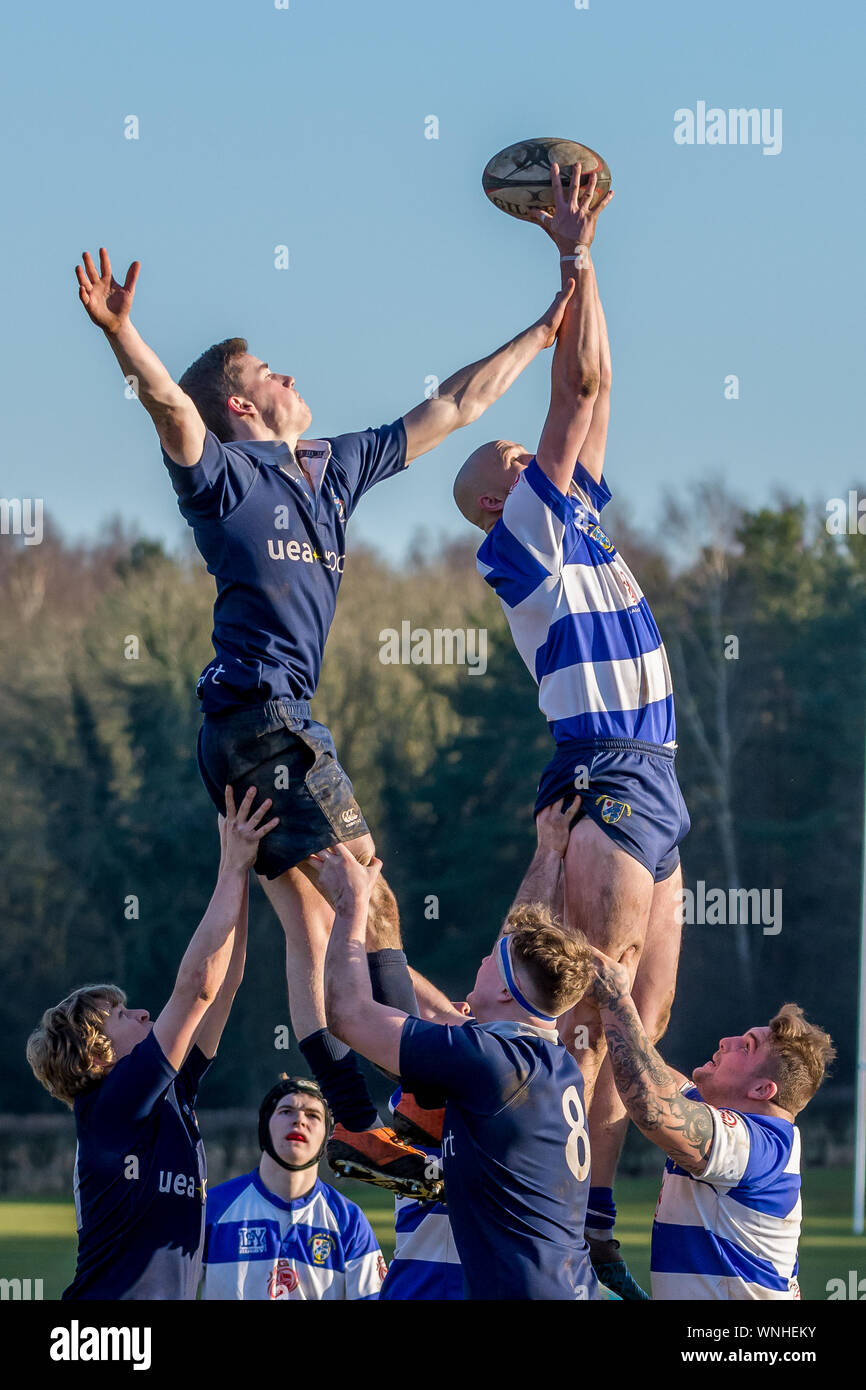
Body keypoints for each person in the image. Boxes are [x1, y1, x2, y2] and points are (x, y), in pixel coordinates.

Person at [75, 244, 573, 1196]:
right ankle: (420, 1101)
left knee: (316, 928)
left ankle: (356, 1125)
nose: (292, 375)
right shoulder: (224, 477)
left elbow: (457, 406)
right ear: (241, 405)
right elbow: (170, 410)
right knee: (369, 891)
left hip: (255, 730)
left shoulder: (330, 468)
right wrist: (123, 335)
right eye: (270, 370)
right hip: (264, 722)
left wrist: (543, 330)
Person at [452, 162, 688, 1297]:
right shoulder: (523, 535)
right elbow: (580, 383)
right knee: (594, 1004)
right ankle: (567, 1222)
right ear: (498, 499)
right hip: (607, 766)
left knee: (643, 1008)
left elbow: (598, 383)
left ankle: (588, 1216)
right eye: (503, 456)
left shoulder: (567, 513)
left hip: (652, 771)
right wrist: (571, 251)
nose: (522, 449)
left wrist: (576, 275)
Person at [316, 839, 599, 1302]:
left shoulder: (492, 1060)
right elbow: (445, 1017)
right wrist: (377, 925)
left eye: (494, 958)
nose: (483, 960)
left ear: (507, 993)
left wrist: (351, 907)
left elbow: (348, 1014)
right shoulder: (549, 1062)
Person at [26, 786, 277, 1300]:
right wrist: (230, 865)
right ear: (98, 1054)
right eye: (119, 1014)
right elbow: (197, 987)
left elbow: (223, 984)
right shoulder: (115, 1102)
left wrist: (243, 871)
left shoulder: (166, 1093)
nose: (140, 1012)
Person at [586, 947, 835, 1299]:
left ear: (763, 1089)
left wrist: (613, 997)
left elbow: (652, 1106)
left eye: (746, 1046)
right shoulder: (723, 1118)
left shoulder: (760, 1145)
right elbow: (640, 1064)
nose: (726, 1041)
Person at [201, 1076, 386, 1300]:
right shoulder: (211, 1209)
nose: (299, 1119)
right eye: (286, 1111)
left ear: (327, 1137)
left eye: (313, 1115)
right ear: (265, 1126)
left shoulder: (350, 1221)